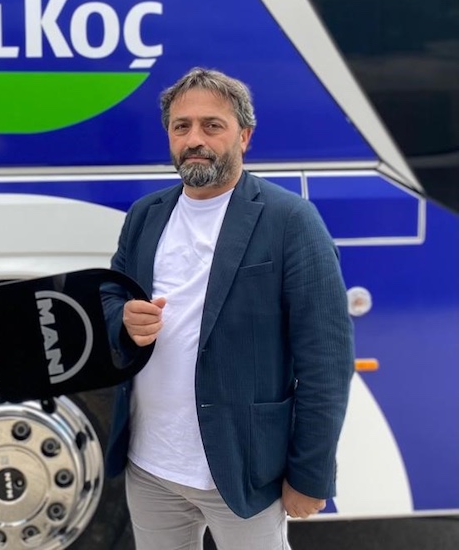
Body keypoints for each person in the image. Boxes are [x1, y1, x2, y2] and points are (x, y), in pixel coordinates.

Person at [104, 68, 354, 549]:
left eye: (211, 125)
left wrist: (311, 474)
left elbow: (326, 360)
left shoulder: (290, 220)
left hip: (243, 470)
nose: (194, 139)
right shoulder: (145, 215)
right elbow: (111, 296)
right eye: (181, 126)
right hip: (150, 464)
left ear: (244, 136)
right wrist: (123, 320)